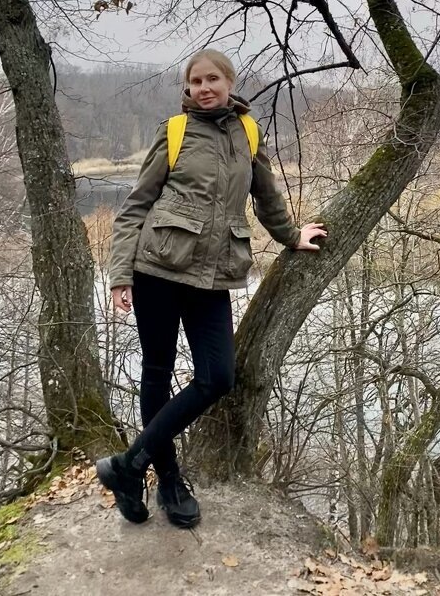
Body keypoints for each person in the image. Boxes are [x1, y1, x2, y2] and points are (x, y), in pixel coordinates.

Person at [95, 49, 327, 528]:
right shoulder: (175, 131)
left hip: (214, 275)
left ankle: (128, 466)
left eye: (212, 79)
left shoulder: (249, 133)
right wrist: (120, 275)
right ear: (188, 87)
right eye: (195, 81)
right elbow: (136, 206)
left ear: (229, 81)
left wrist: (290, 235)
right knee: (156, 374)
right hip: (157, 269)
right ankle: (169, 480)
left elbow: (266, 197)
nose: (203, 88)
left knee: (217, 377)